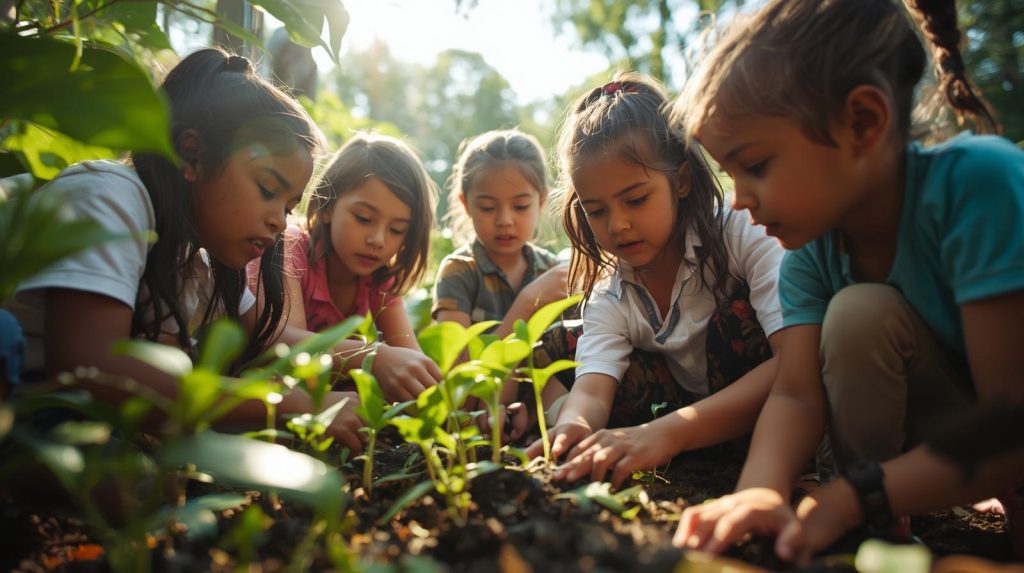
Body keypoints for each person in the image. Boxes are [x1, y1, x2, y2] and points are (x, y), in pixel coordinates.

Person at [669, 0, 1024, 563]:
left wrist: (845, 499)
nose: (739, 199)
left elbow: (1010, 417)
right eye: (729, 174)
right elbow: (795, 393)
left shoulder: (977, 186)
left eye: (756, 165)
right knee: (859, 313)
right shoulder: (810, 251)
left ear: (862, 122)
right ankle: (882, 522)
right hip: (955, 447)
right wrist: (759, 492)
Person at [11, 48, 365, 451]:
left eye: (288, 207)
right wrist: (290, 404)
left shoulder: (197, 259)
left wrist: (372, 357)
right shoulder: (109, 196)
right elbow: (92, 370)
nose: (281, 222)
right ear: (192, 153)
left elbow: (271, 339)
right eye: (268, 189)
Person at [523, 73, 788, 487]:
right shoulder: (611, 293)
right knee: (556, 341)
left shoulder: (743, 235)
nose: (619, 224)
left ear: (681, 181)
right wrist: (573, 428)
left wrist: (667, 433)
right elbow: (593, 390)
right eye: (596, 210)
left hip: (783, 424)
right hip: (689, 439)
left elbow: (797, 364)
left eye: (636, 199)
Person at [259, 133, 442, 403]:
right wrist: (373, 356)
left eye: (396, 229)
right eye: (364, 218)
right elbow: (284, 344)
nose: (378, 240)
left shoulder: (379, 280)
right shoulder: (291, 248)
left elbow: (414, 363)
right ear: (328, 206)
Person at [432, 129, 568, 433]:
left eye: (520, 206)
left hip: (539, 403)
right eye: (488, 207)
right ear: (466, 204)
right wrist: (527, 302)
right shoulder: (459, 271)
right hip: (478, 407)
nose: (505, 220)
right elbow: (463, 382)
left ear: (541, 202)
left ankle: (573, 431)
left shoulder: (552, 269)